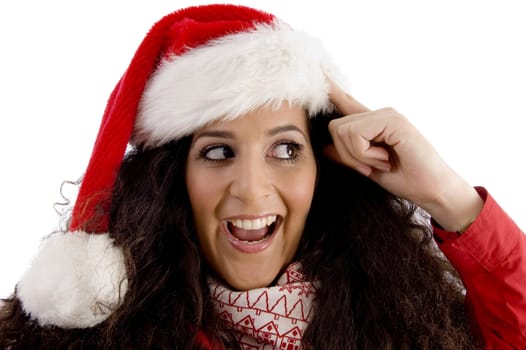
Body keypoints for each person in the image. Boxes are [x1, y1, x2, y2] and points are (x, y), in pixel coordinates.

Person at [0, 3, 524, 349]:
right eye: (217, 152)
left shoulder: (407, 321)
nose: (251, 188)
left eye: (286, 148)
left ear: (325, 169)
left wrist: (451, 199)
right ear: (169, 180)